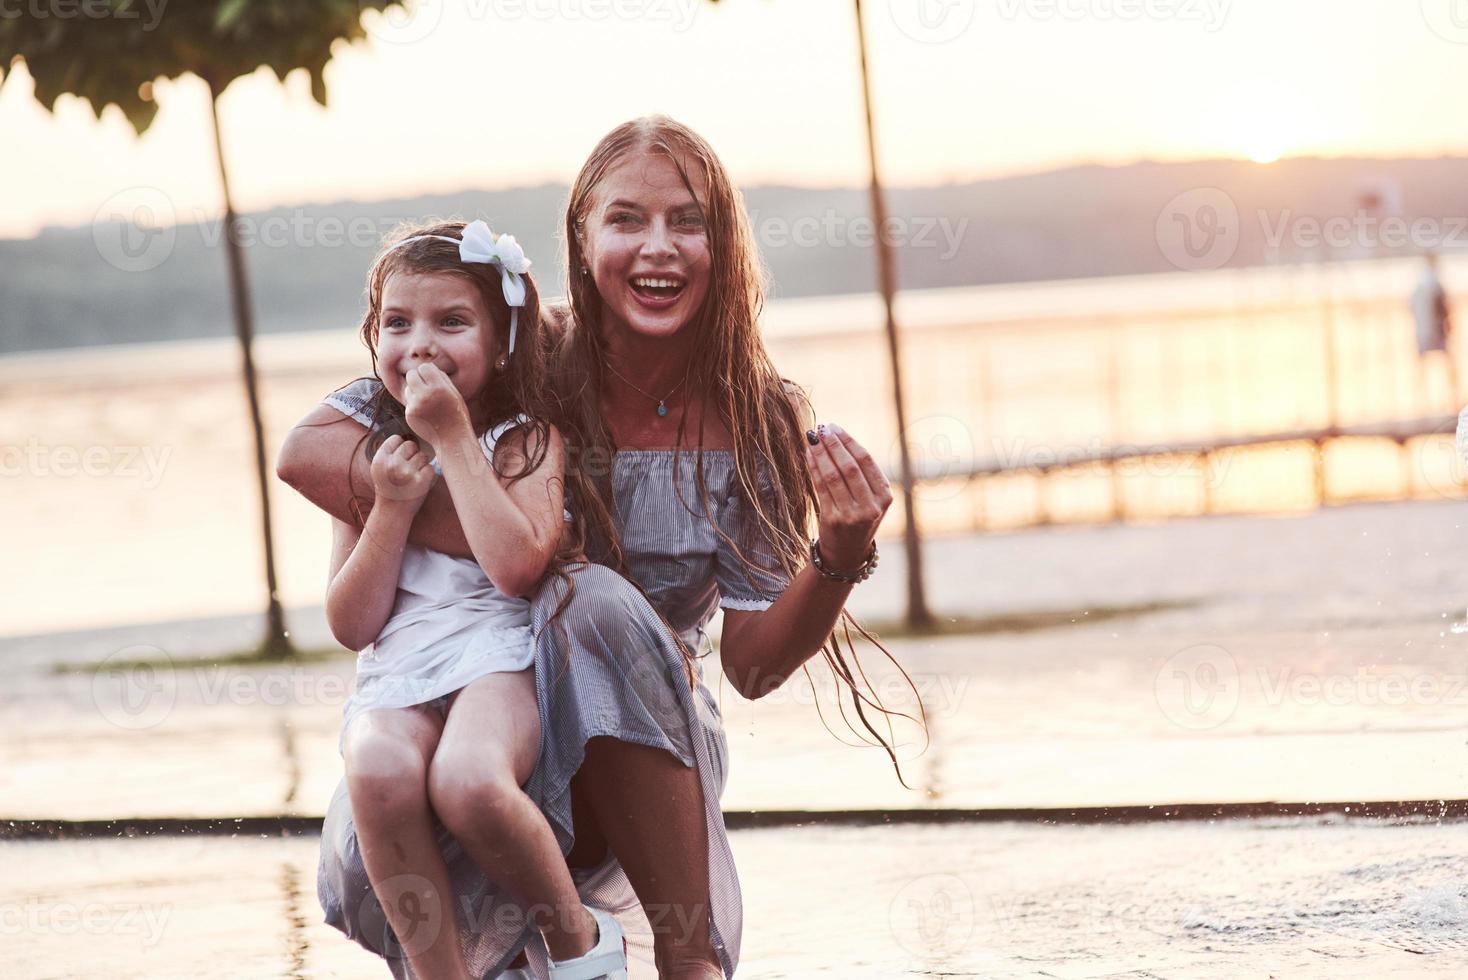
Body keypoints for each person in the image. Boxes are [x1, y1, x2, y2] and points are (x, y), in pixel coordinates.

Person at [277, 116, 915, 980]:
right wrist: (512, 533)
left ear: (723, 243)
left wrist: (837, 556)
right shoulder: (521, 355)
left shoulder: (756, 415)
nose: (659, 248)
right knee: (425, 745)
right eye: (626, 220)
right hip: (483, 696)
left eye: (688, 221)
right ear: (581, 236)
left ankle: (687, 958)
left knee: (596, 601)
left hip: (648, 740)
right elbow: (313, 448)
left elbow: (756, 670)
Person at [316, 219, 626, 979]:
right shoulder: (368, 457)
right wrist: (387, 509)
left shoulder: (527, 441)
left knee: (468, 780)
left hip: (501, 659)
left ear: (502, 344)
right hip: (401, 669)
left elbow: (517, 567)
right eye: (397, 323)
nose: (418, 343)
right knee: (379, 771)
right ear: (372, 336)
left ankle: (582, 948)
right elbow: (352, 624)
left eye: (450, 322)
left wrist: (455, 442)